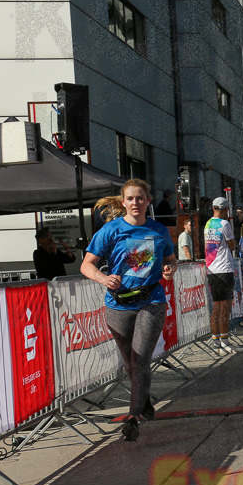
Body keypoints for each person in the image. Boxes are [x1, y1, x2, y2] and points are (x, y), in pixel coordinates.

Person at [80, 179, 176, 441]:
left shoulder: (158, 231)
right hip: (118, 304)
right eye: (131, 199)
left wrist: (169, 269)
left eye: (140, 198)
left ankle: (133, 418)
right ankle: (143, 401)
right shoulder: (110, 231)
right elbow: (86, 265)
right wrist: (103, 279)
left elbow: (169, 260)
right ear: (123, 203)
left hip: (151, 300)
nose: (136, 203)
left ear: (148, 201)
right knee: (129, 364)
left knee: (140, 359)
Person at [205, 197, 238, 354]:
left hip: (211, 268)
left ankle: (216, 341)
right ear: (225, 210)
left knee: (216, 306)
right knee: (225, 307)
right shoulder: (224, 224)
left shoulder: (208, 223)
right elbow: (232, 245)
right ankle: (225, 341)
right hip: (224, 268)